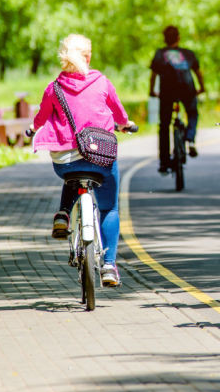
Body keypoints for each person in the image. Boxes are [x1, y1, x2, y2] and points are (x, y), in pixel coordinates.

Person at [30, 34, 135, 288]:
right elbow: (120, 114)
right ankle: (109, 265)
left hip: (65, 161)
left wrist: (32, 130)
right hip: (100, 158)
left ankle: (63, 214)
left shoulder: (54, 87)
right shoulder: (102, 82)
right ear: (88, 57)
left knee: (74, 173)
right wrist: (125, 125)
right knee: (109, 207)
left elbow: (41, 118)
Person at [149, 25, 205, 173]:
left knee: (164, 125)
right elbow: (198, 73)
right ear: (178, 38)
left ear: (165, 39)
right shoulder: (187, 53)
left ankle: (164, 162)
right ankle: (190, 138)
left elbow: (153, 75)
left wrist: (152, 92)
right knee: (192, 113)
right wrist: (202, 87)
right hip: (187, 88)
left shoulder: (160, 54)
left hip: (167, 90)